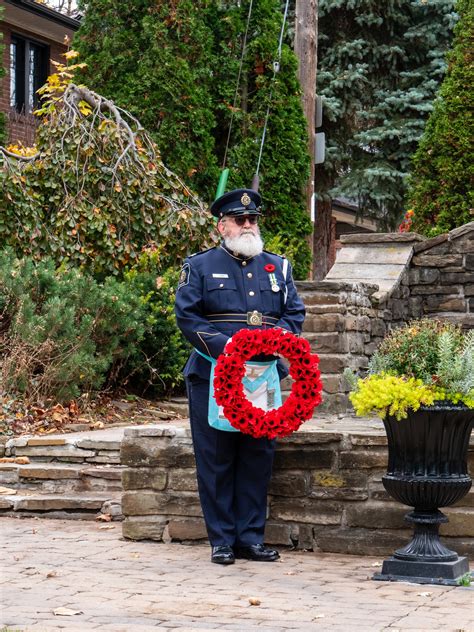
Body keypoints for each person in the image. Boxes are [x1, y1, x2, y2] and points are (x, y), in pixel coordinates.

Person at [174, 188, 305, 565]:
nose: (248, 225)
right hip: (213, 373)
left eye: (253, 219)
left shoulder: (277, 266)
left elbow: (293, 313)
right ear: (222, 225)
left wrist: (279, 339)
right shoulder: (198, 266)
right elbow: (188, 317)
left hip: (262, 375)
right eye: (239, 219)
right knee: (216, 456)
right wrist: (229, 350)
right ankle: (222, 541)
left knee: (257, 455)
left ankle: (250, 538)